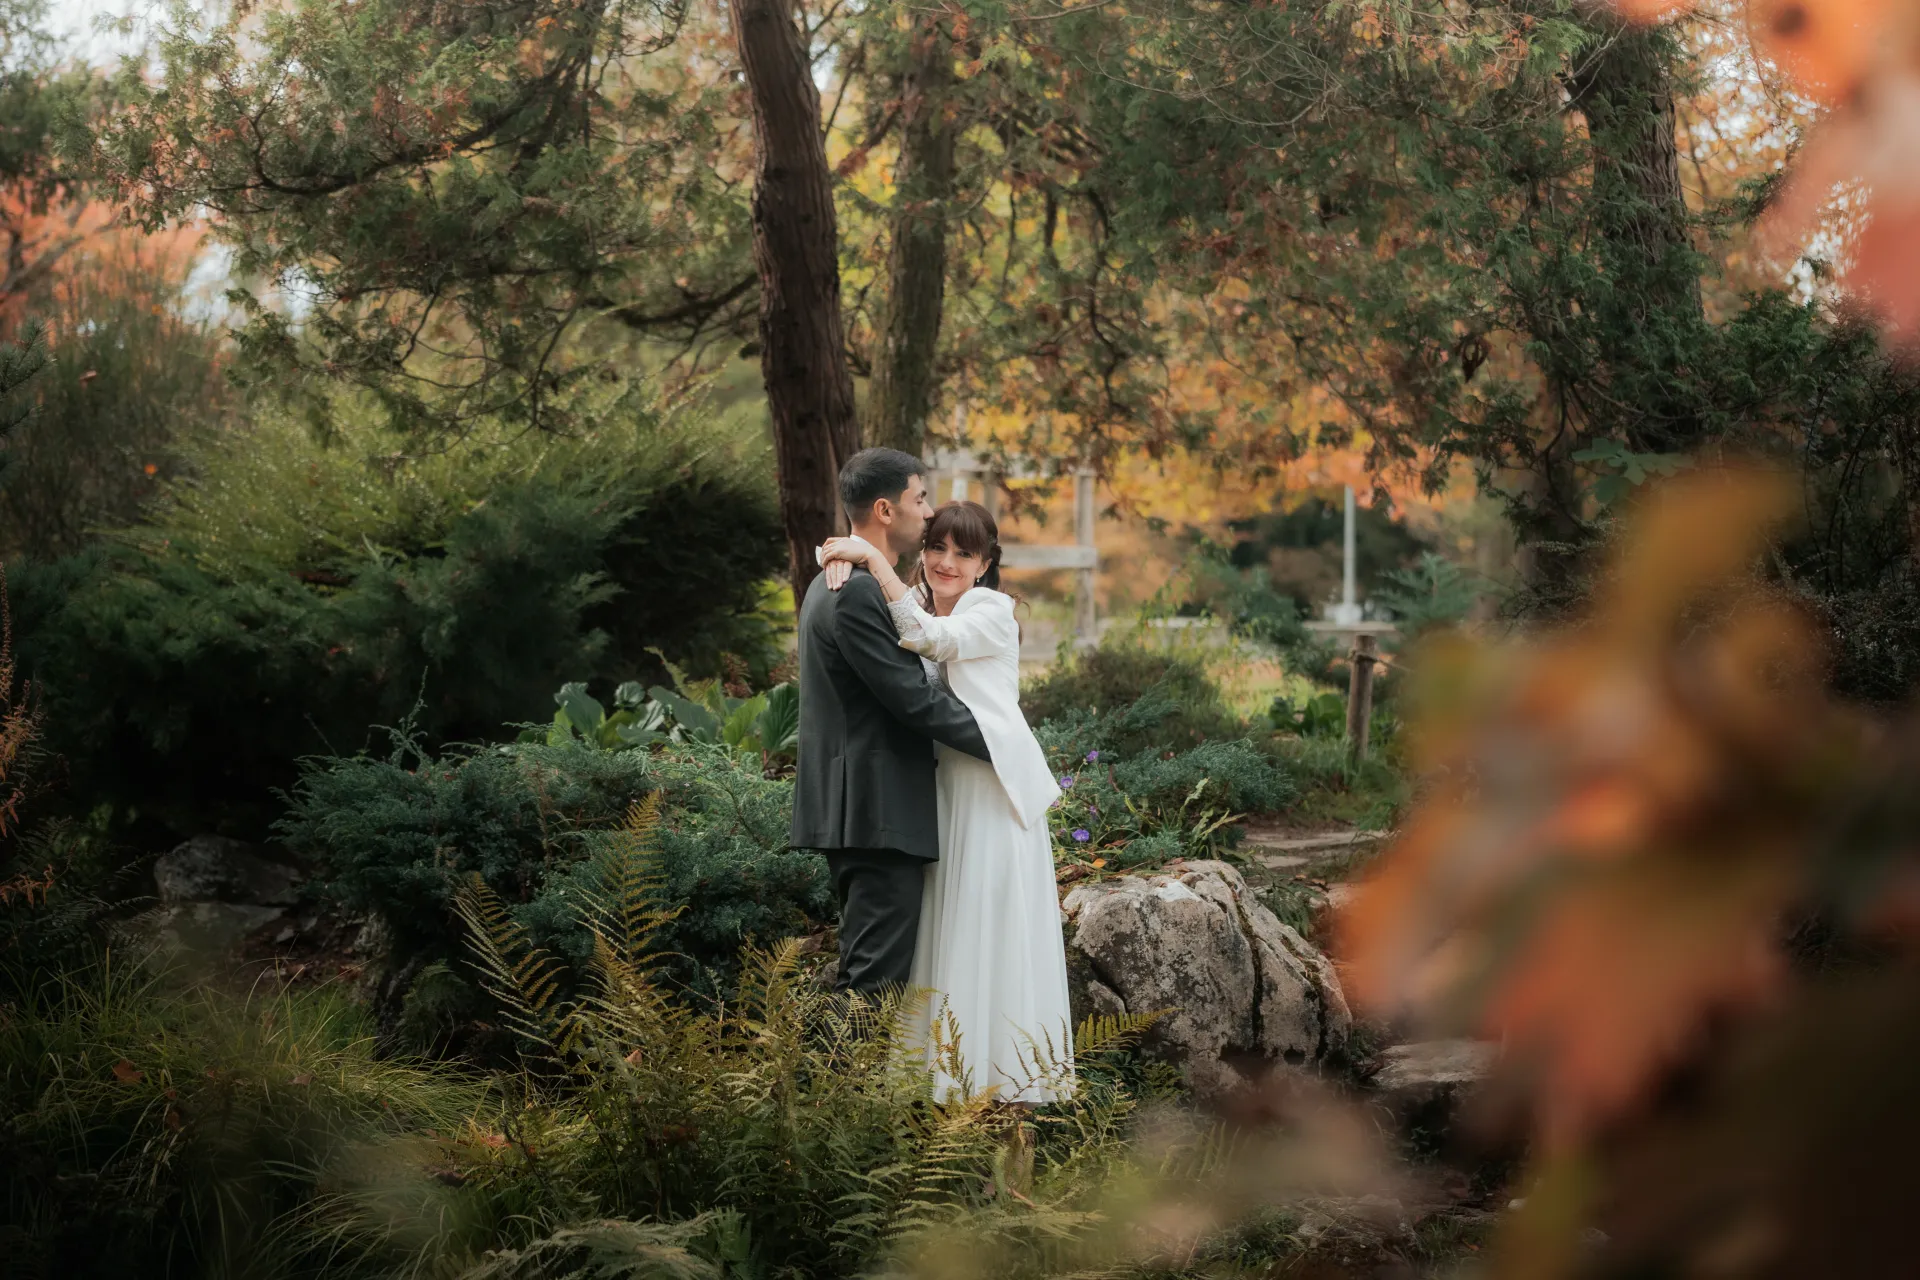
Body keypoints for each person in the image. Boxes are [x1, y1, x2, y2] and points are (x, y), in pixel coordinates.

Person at [817, 500, 1075, 1104]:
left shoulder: (991, 610)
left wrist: (869, 555)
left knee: (986, 926)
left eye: (964, 553)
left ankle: (999, 1087)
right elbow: (900, 624)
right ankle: (940, 1085)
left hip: (989, 790)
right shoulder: (921, 599)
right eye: (937, 547)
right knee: (946, 924)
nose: (947, 562)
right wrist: (839, 557)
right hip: (943, 790)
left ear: (985, 565)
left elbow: (927, 639)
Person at [791, 449, 994, 1003]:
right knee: (871, 988)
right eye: (919, 498)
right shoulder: (853, 590)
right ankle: (831, 1066)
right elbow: (912, 699)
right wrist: (1002, 741)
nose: (928, 512)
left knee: (869, 977)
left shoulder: (846, 581)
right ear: (885, 509)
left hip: (866, 810)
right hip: (874, 810)